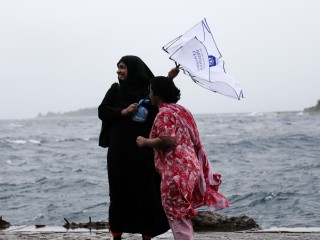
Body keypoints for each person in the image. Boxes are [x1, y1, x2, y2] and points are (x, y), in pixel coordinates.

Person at [136, 76, 230, 240]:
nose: (149, 96)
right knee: (182, 214)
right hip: (191, 167)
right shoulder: (181, 111)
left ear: (158, 95)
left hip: (176, 171)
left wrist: (145, 142)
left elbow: (168, 140)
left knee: (177, 216)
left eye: (151, 92)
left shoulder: (164, 114)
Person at [98, 56, 179, 240]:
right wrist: (123, 111)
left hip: (144, 151)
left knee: (146, 193)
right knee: (118, 194)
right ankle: (116, 234)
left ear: (134, 69)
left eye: (123, 67)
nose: (119, 71)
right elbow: (102, 111)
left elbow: (161, 94)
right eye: (118, 67)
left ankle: (147, 235)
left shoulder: (147, 90)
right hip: (118, 152)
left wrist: (170, 78)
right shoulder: (115, 90)